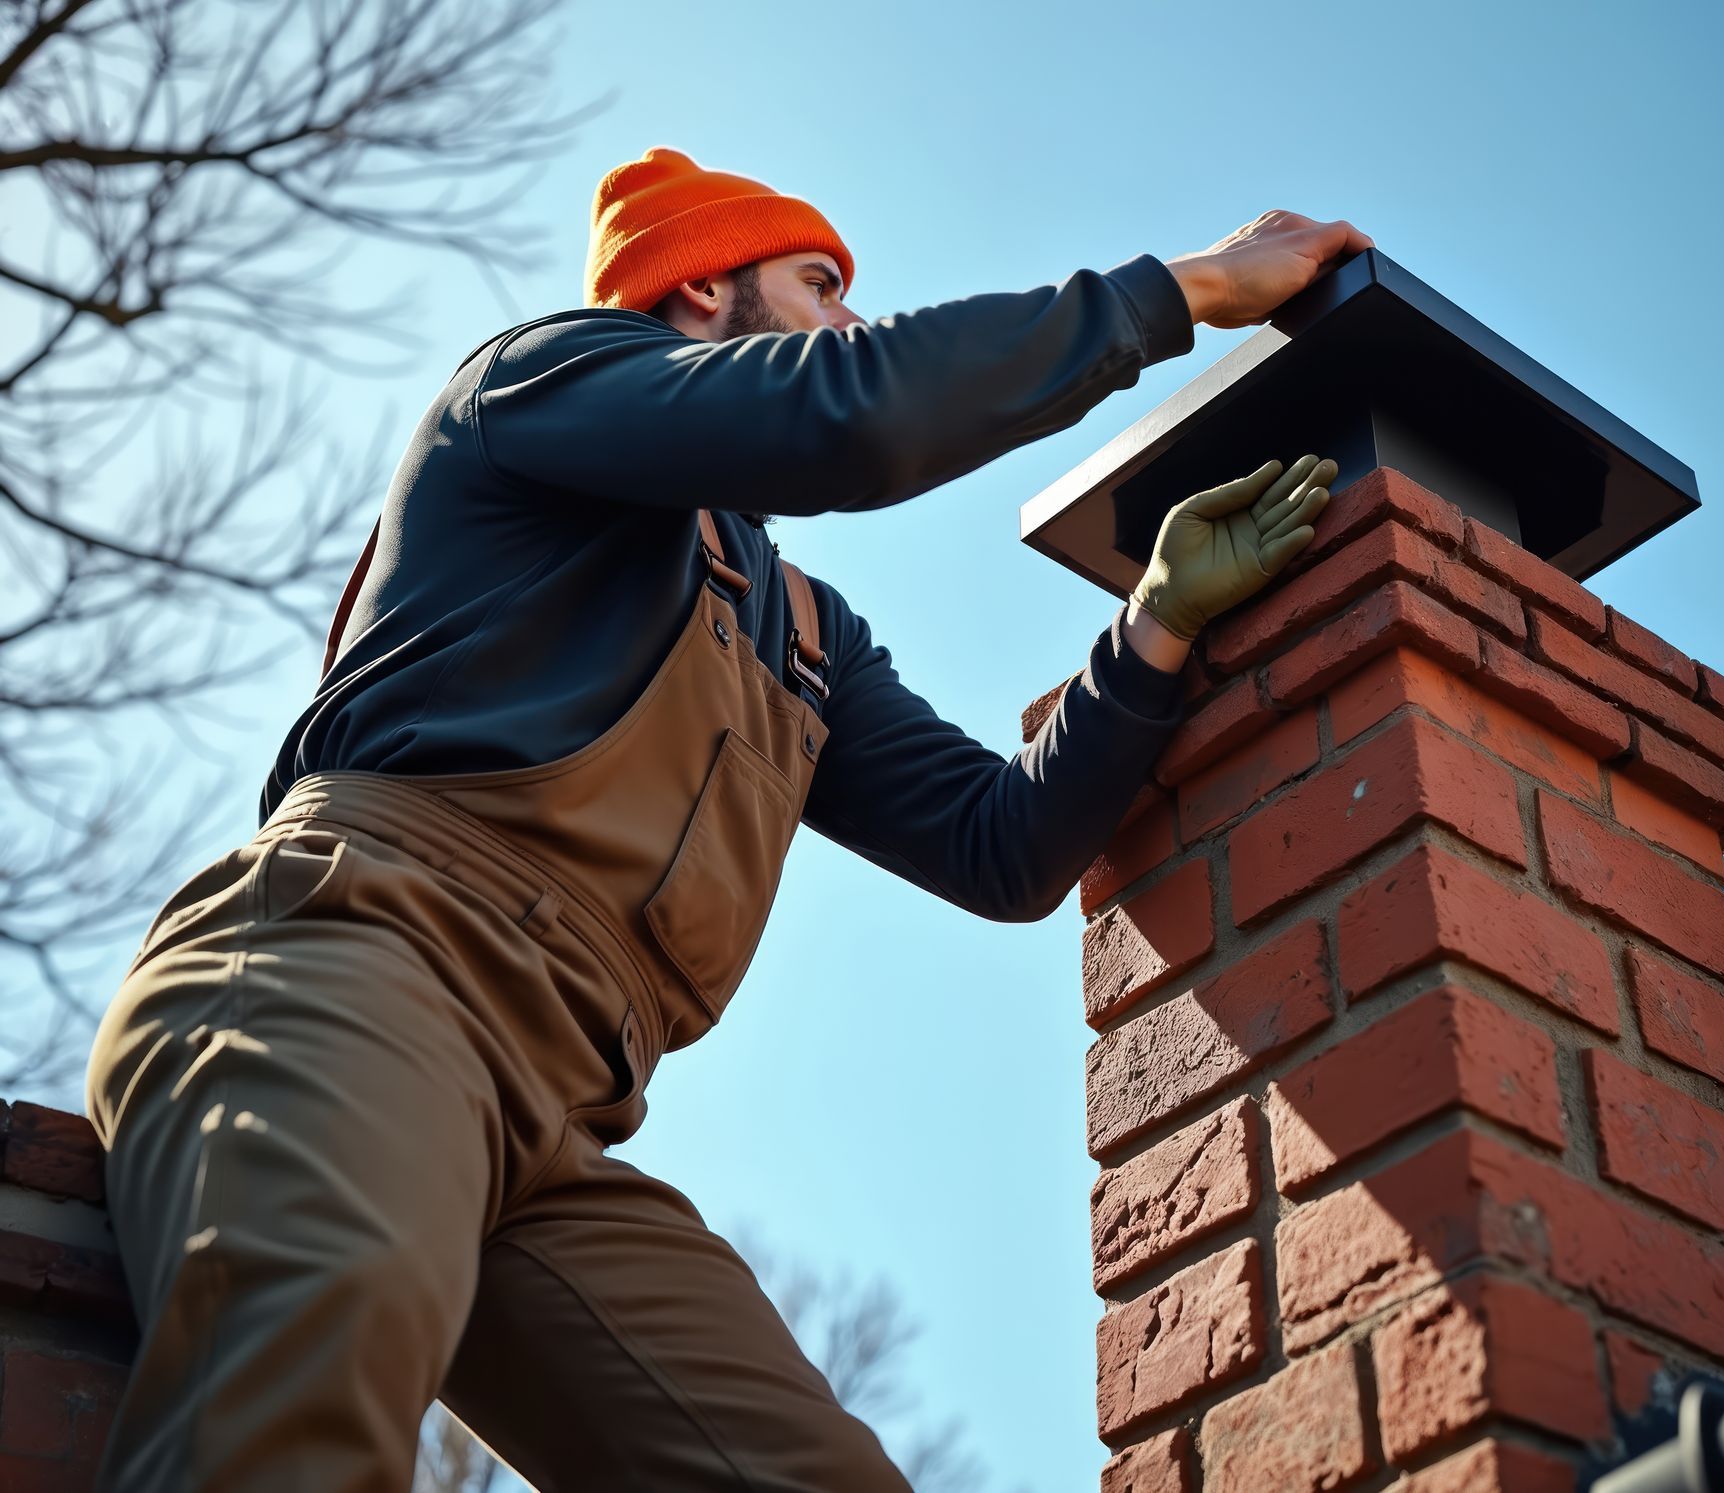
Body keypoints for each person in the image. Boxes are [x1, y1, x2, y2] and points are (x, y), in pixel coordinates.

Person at [84, 145, 1372, 1490]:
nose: (852, 319)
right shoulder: (538, 383)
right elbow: (855, 416)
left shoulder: (802, 631)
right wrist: (1189, 287)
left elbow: (1005, 844)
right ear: (701, 291)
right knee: (295, 1416)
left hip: (562, 1121)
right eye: (820, 284)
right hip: (354, 968)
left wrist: (1154, 628)